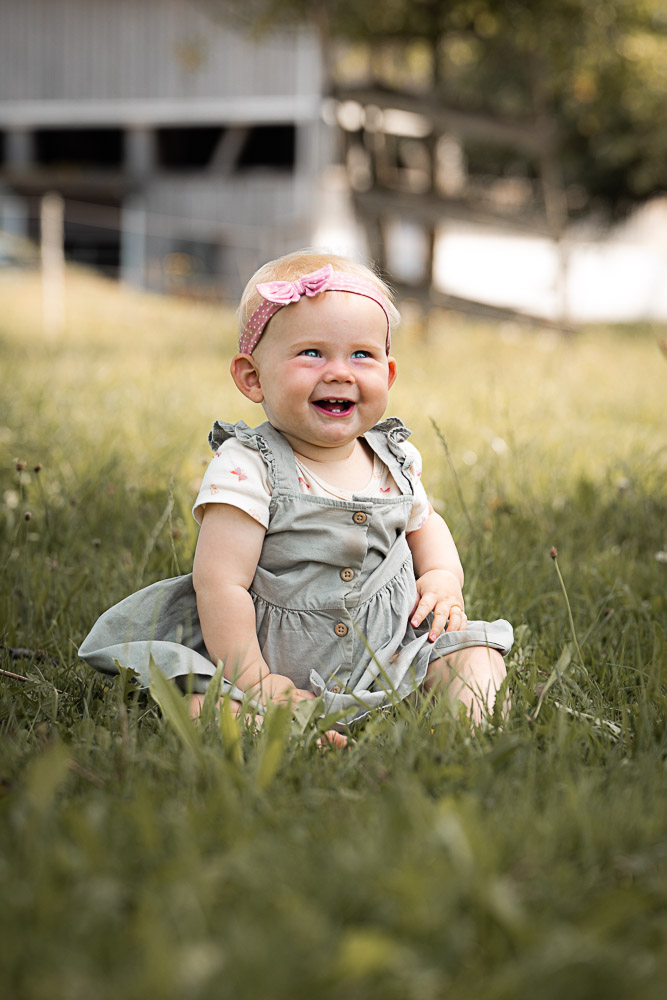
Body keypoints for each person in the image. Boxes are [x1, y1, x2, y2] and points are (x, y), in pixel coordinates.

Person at [79, 250, 512, 744]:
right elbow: (221, 584)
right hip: (268, 660)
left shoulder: (396, 458)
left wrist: (441, 577)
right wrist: (255, 682)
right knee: (200, 705)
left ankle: (462, 735)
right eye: (312, 353)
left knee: (475, 656)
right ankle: (282, 730)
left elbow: (425, 523)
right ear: (252, 378)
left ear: (388, 375)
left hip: (390, 654)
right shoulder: (249, 467)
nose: (341, 372)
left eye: (361, 355)